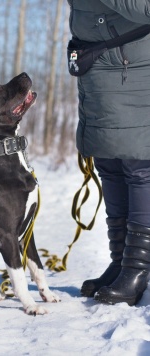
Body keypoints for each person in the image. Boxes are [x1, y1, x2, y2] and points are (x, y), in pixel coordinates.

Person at [67, 0, 150, 306]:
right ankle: (120, 261)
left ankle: (137, 269)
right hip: (102, 68)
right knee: (110, 163)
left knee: (139, 165)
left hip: (134, 68)